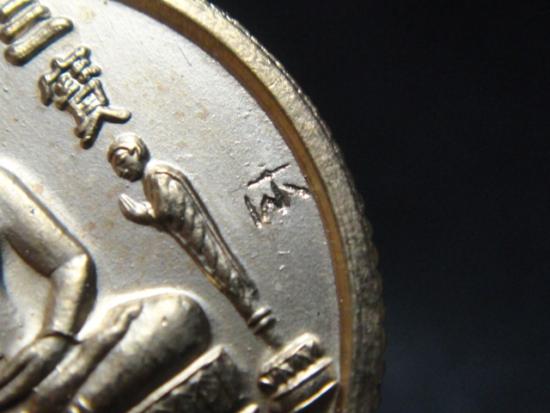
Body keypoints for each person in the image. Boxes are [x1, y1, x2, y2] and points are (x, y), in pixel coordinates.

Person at [0, 166, 211, 413]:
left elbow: (70, 263)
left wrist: (55, 337)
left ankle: (59, 397)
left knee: (177, 315)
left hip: (50, 360)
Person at [108, 133, 275, 335]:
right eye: (117, 170)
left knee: (224, 272)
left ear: (135, 151)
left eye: (122, 162)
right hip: (194, 239)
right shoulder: (151, 178)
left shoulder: (157, 174)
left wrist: (143, 213)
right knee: (221, 275)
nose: (121, 172)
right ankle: (256, 318)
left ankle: (259, 317)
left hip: (201, 238)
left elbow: (168, 210)